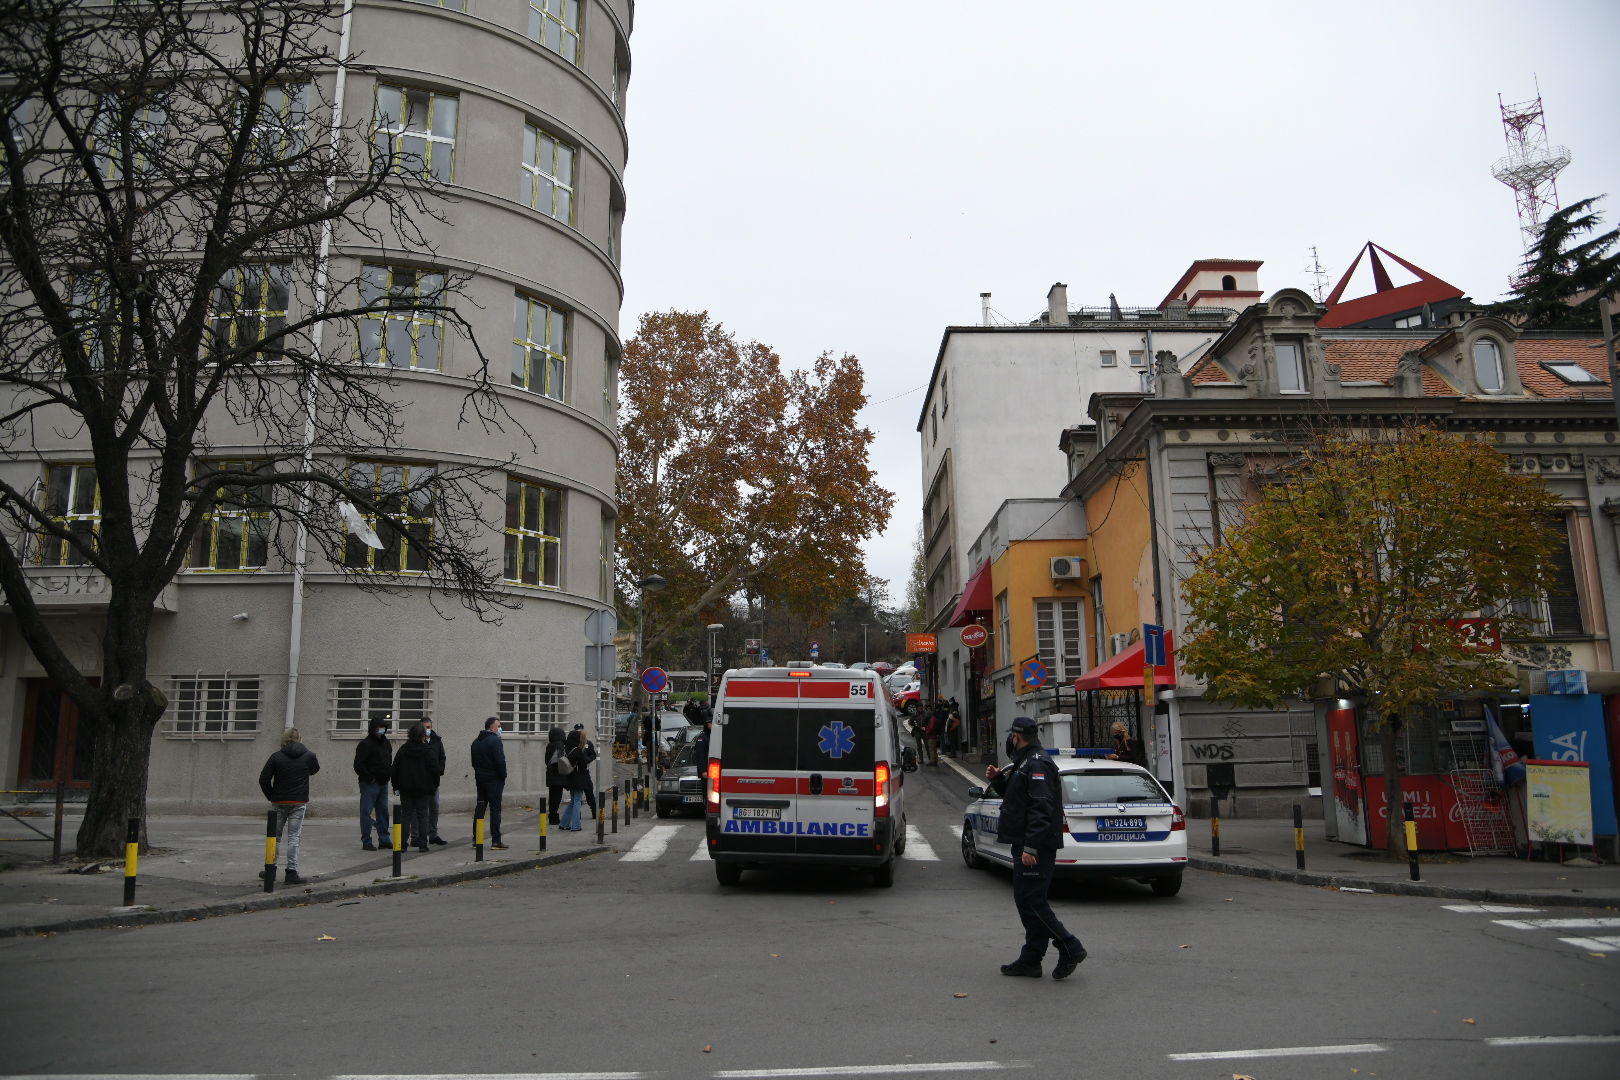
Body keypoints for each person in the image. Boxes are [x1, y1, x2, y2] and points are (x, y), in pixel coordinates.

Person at [984, 715, 1086, 980]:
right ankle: (1031, 959)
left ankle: (1070, 946)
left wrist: (1031, 847)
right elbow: (1020, 800)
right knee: (1026, 901)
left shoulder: (1037, 763)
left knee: (1031, 901)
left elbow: (1041, 807)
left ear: (1015, 736)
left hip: (1035, 846)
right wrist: (999, 780)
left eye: (1011, 736)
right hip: (1027, 842)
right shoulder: (1025, 763)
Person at [258, 727, 321, 885]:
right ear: (300, 739)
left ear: (284, 740)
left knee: (275, 837)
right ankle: (291, 872)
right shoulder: (309, 756)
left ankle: (270, 869)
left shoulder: (276, 757)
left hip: (279, 801)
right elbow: (314, 770)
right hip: (298, 802)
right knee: (294, 837)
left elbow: (264, 779)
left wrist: (271, 796)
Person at [390, 722, 443, 852]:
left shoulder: (403, 750)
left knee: (406, 815)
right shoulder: (428, 751)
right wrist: (433, 785)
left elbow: (395, 769)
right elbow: (436, 770)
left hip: (406, 788)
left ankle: (402, 844)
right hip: (424, 788)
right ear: (423, 736)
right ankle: (423, 844)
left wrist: (395, 786)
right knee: (423, 815)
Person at [352, 719, 393, 851]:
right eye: (379, 727)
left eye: (383, 727)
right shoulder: (365, 744)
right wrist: (369, 778)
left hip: (383, 782)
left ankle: (384, 839)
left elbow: (388, 759)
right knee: (366, 812)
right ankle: (366, 840)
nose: (382, 729)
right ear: (373, 728)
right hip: (370, 784)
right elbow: (358, 765)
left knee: (383, 813)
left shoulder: (386, 743)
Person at [470, 716, 508, 850]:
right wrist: (503, 775)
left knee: (480, 808)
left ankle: (477, 839)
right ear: (492, 727)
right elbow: (500, 761)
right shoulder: (495, 741)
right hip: (494, 779)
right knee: (495, 809)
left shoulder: (476, 742)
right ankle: (496, 840)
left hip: (480, 778)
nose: (500, 728)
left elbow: (474, 762)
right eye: (499, 725)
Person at [420, 716, 449, 846]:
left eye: (429, 727)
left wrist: (439, 770)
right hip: (422, 780)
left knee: (434, 807)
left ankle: (433, 834)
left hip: (434, 780)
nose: (428, 730)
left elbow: (442, 757)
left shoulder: (436, 741)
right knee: (420, 809)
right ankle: (419, 836)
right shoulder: (417, 741)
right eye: (425, 728)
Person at [560, 728, 588, 831]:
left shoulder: (566, 749)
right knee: (577, 801)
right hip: (578, 777)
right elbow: (583, 765)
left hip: (569, 777)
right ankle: (576, 825)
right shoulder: (577, 750)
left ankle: (564, 823)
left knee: (572, 801)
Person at [545, 725, 572, 825]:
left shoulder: (549, 745)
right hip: (558, 776)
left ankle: (552, 815)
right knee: (557, 797)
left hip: (550, 775)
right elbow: (559, 761)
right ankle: (553, 817)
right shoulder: (559, 745)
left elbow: (547, 760)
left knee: (552, 796)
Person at [573, 723, 600, 819]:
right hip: (576, 772)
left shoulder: (588, 743)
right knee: (576, 797)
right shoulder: (574, 744)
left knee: (589, 792)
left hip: (585, 771)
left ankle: (594, 811)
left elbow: (593, 754)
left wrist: (587, 760)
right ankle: (577, 815)